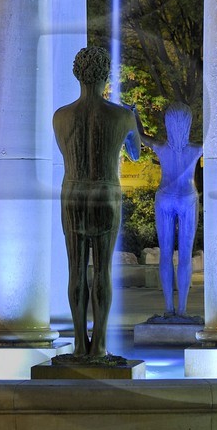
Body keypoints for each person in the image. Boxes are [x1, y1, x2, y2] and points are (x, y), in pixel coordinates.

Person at [51, 46, 141, 361]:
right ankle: (99, 344)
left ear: (77, 74)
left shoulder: (61, 116)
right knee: (101, 270)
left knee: (75, 269)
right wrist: (134, 122)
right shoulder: (122, 115)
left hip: (72, 192)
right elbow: (135, 154)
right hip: (105, 194)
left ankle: (78, 343)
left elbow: (65, 151)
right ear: (105, 76)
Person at [137, 103, 202, 319]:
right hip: (187, 198)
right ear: (188, 124)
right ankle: (182, 310)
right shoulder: (195, 149)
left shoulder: (161, 147)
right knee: (185, 255)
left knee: (165, 254)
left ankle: (168, 308)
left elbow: (140, 135)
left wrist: (134, 114)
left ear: (167, 124)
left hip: (164, 197)